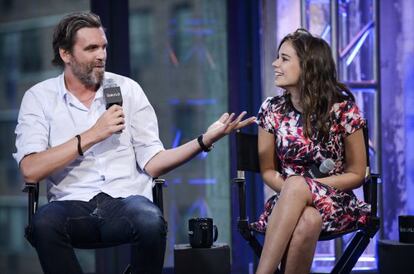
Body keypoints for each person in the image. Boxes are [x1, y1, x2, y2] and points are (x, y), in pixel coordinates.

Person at [13, 12, 255, 274]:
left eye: (104, 47)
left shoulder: (127, 90)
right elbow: (31, 168)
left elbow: (153, 163)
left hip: (125, 200)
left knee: (151, 220)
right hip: (71, 205)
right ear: (65, 54)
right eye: (91, 48)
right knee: (43, 224)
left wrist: (204, 140)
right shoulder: (39, 97)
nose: (101, 55)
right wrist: (94, 134)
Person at [253, 29, 371, 274]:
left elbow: (357, 173)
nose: (276, 64)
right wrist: (293, 192)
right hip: (286, 202)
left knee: (297, 185)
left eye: (284, 59)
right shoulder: (271, 109)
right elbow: (266, 170)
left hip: (335, 201)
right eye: (278, 57)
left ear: (308, 66)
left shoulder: (343, 110)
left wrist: (305, 187)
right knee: (308, 219)